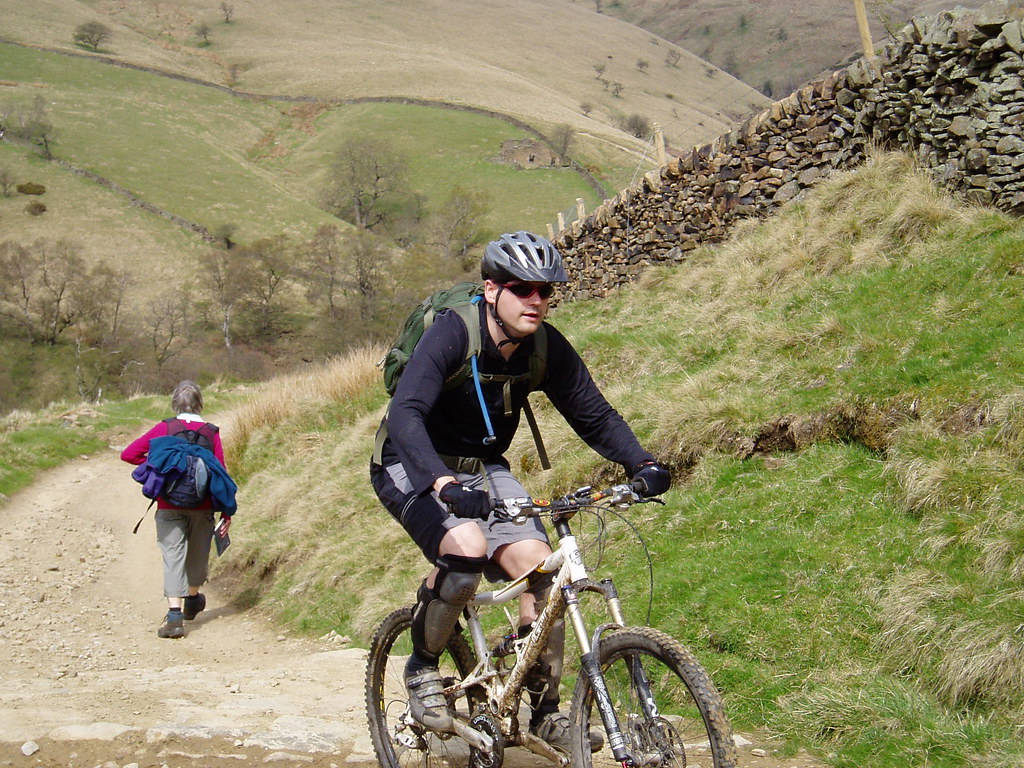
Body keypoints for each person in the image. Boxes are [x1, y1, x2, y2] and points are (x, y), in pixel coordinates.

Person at [370, 231, 671, 753]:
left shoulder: (546, 346)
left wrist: (641, 462)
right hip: (409, 460)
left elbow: (593, 414)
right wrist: (441, 483)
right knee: (465, 551)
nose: (537, 300)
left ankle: (545, 713)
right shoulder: (452, 333)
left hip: (484, 467)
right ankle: (421, 665)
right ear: (492, 289)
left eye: (546, 291)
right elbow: (406, 414)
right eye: (523, 288)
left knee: (542, 568)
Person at [121, 380, 231, 639]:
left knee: (173, 556)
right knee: (197, 554)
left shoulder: (165, 428)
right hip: (203, 506)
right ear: (200, 403)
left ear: (174, 403)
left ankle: (174, 617)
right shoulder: (210, 432)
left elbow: (129, 454)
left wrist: (158, 464)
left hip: (169, 505)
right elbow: (221, 473)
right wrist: (227, 513)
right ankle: (192, 599)